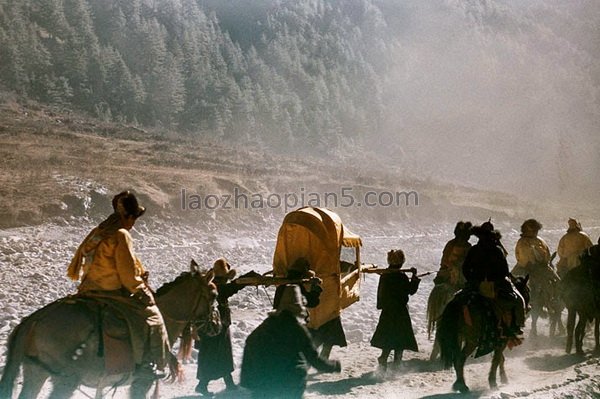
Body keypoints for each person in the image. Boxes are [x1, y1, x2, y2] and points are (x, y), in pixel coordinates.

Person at [66, 190, 170, 378]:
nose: (133, 223)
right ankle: (148, 364)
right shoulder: (121, 234)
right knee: (153, 317)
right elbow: (127, 273)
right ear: (128, 217)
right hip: (109, 291)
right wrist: (141, 291)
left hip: (88, 289)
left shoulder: (98, 231)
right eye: (134, 218)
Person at [240, 284, 341, 398]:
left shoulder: (265, 326)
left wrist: (248, 382)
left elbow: (250, 345)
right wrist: (332, 366)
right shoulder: (296, 329)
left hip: (264, 385)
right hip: (290, 384)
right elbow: (313, 358)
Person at [194, 258, 255, 396]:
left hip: (213, 327)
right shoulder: (217, 287)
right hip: (215, 327)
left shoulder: (210, 285)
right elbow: (233, 287)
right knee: (218, 354)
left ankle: (227, 382)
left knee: (217, 354)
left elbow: (232, 287)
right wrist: (250, 276)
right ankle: (203, 385)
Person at [462, 221, 525, 338]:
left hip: (475, 283)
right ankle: (514, 326)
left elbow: (465, 268)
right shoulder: (497, 250)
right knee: (517, 300)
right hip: (495, 284)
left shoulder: (474, 249)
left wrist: (472, 280)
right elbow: (504, 271)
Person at [370, 249, 420, 370]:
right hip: (400, 312)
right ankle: (397, 364)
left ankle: (383, 359)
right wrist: (414, 277)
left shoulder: (385, 276)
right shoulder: (401, 277)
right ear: (402, 261)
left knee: (388, 337)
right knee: (400, 339)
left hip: (388, 311)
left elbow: (381, 294)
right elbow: (411, 291)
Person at [434, 221, 472, 289]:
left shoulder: (468, 247)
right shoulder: (451, 244)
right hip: (447, 273)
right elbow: (444, 260)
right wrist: (452, 267)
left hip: (459, 276)